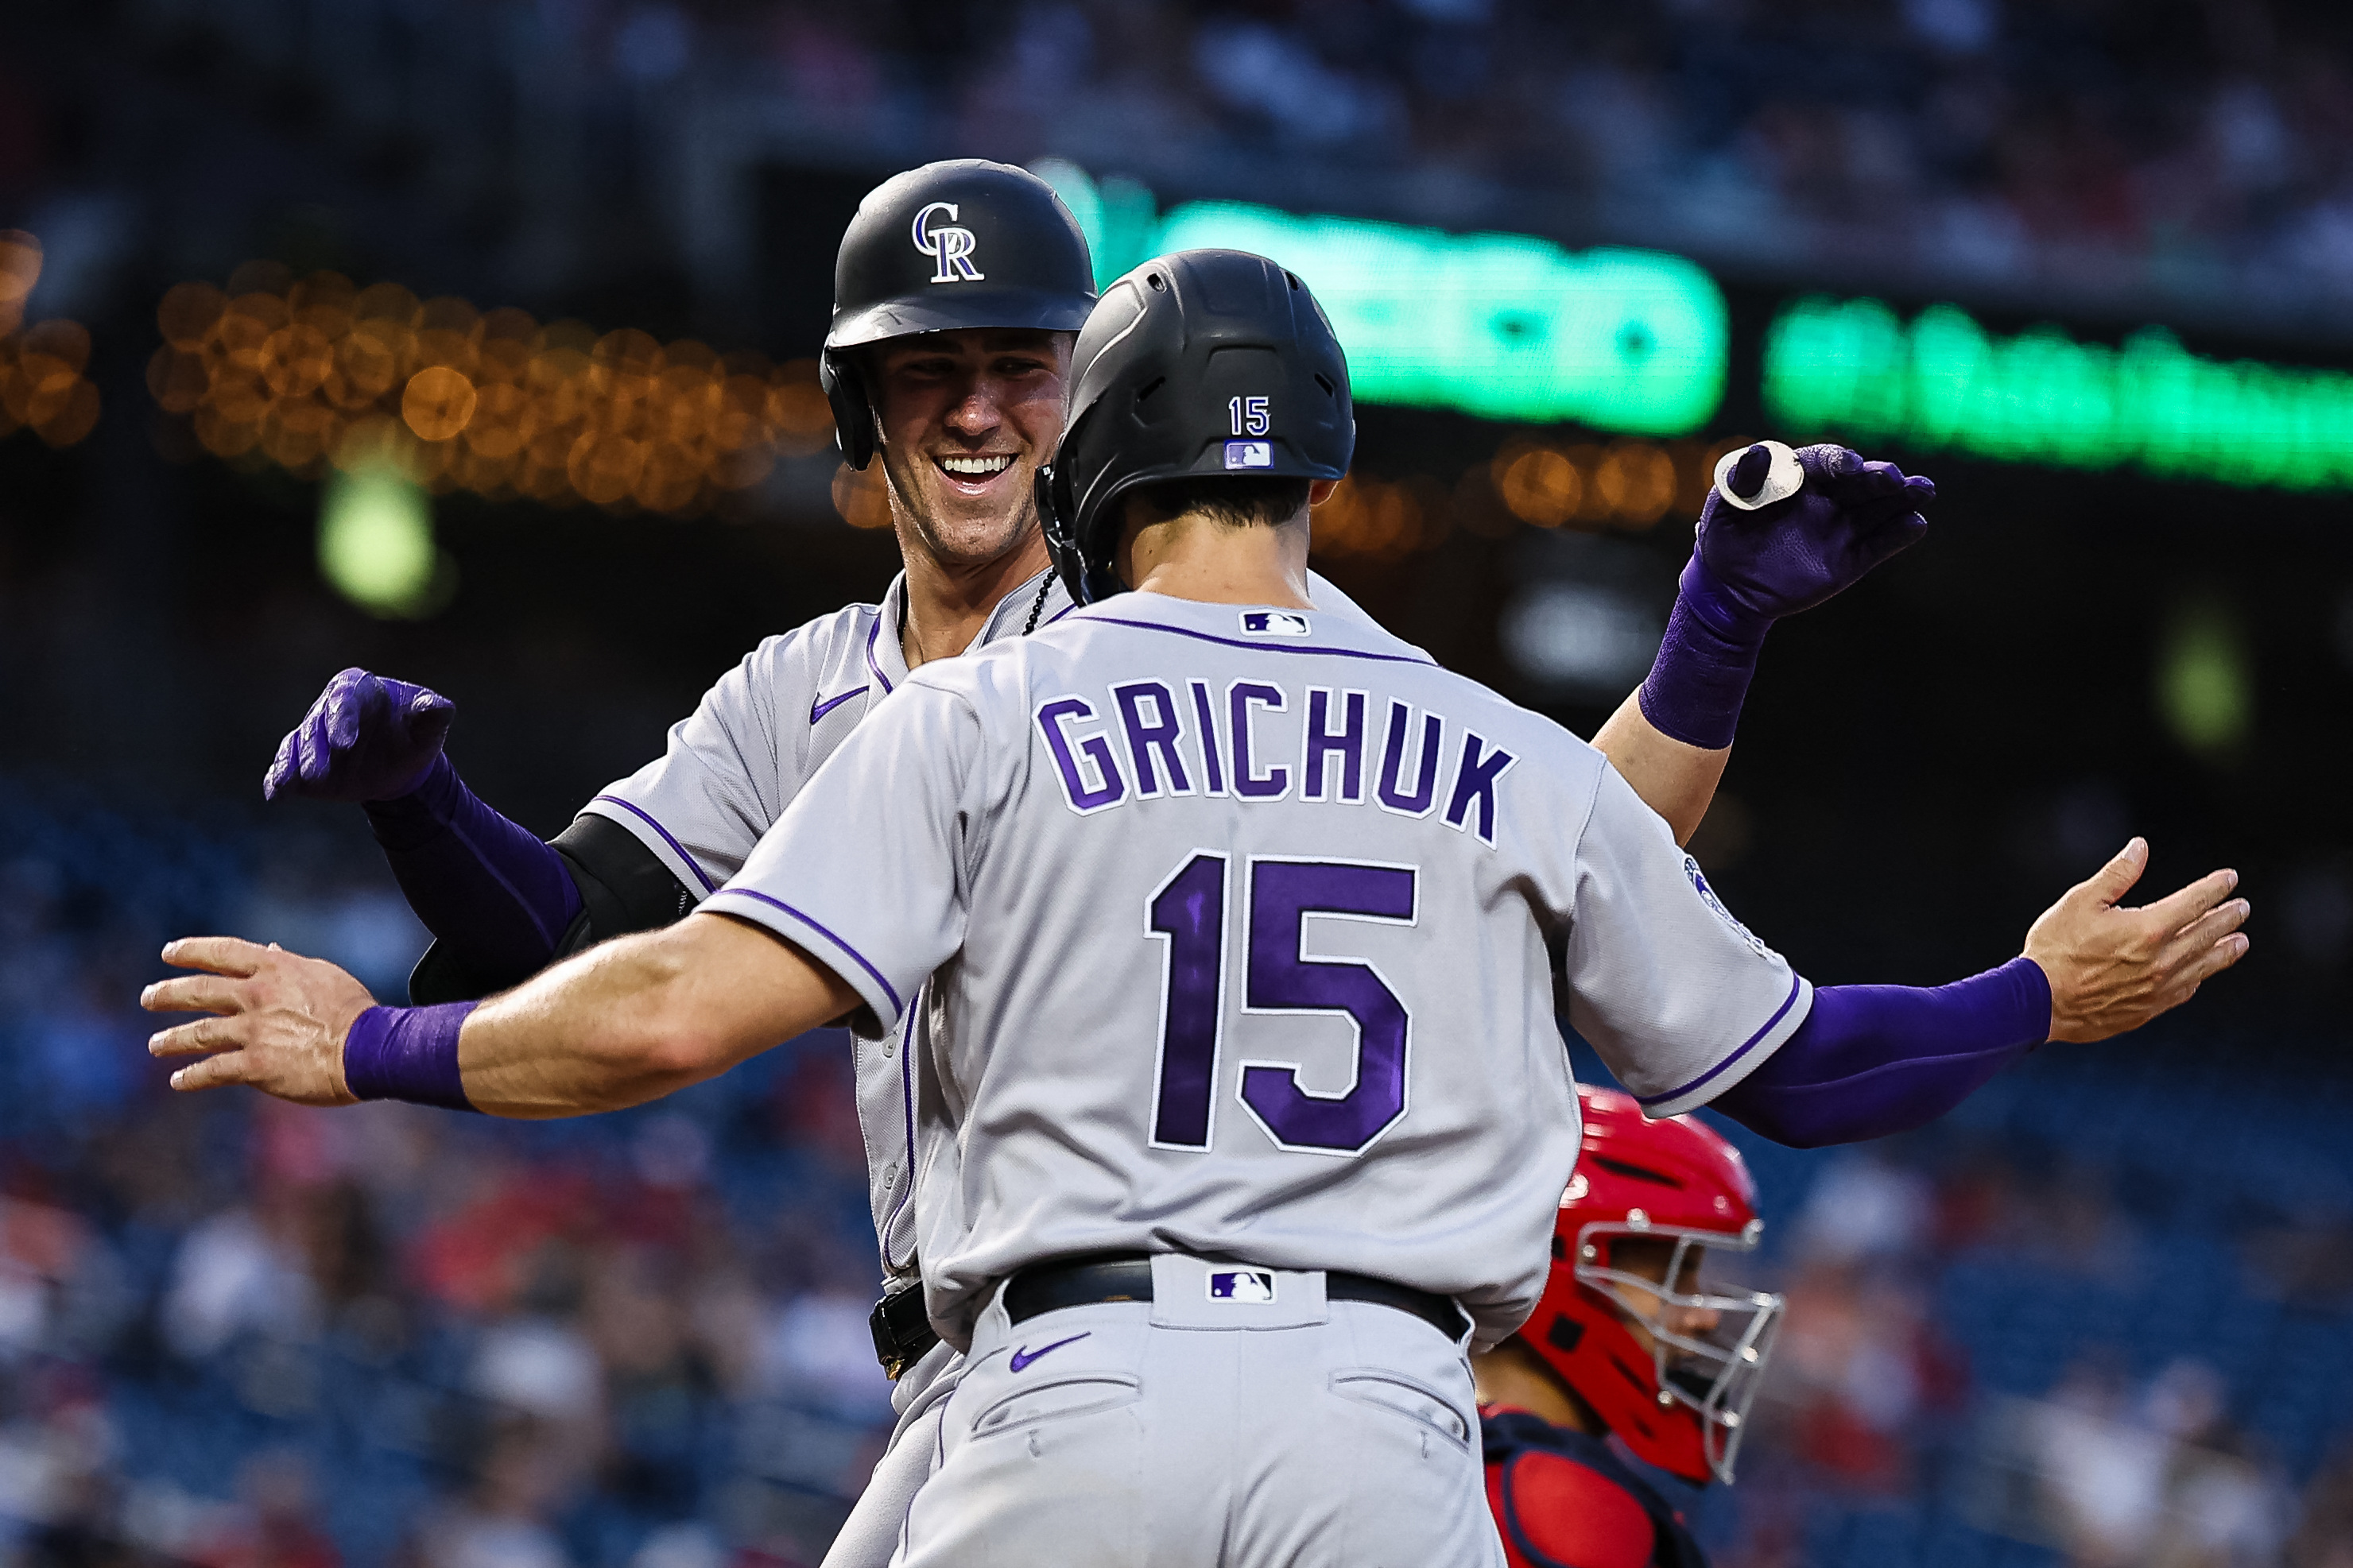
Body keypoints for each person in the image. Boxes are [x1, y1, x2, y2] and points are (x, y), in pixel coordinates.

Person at [144, 249, 2247, 1564]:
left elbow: (677, 1011)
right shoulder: (1490, 744)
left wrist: (377, 1042)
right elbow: (1799, 1067)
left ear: (1095, 472)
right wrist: (2028, 992)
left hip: (1067, 1394)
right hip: (1384, 1423)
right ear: (1321, 467)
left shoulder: (972, 717)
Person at [1475, 1086, 1779, 1568]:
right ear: (1552, 1262)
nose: (1706, 1315)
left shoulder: (1411, 1446)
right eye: (1670, 1277)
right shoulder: (1569, 1506)